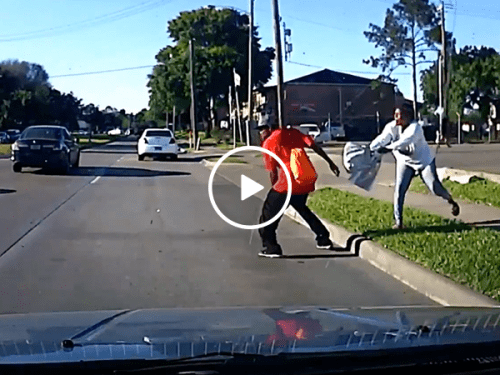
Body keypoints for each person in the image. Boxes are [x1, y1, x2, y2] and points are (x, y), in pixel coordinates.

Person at [370, 103, 460, 229]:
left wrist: (388, 148)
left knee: (434, 187)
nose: (396, 118)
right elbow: (382, 138)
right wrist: (371, 148)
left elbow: (405, 141)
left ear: (406, 116)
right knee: (399, 190)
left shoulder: (415, 128)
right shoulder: (392, 127)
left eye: (399, 115)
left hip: (424, 162)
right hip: (405, 163)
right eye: (395, 115)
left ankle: (451, 201)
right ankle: (399, 223)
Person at [257, 124, 340, 258]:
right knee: (301, 208)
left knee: (268, 216)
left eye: (262, 130)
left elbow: (273, 172)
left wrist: (275, 189)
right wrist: (330, 163)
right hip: (304, 180)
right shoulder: (294, 133)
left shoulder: (269, 143)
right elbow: (313, 146)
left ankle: (271, 247)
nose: (260, 133)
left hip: (286, 183)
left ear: (269, 129)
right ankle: (323, 238)